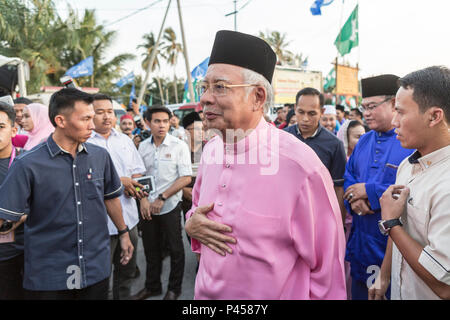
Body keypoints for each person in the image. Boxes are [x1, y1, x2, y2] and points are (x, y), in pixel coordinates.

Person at [184, 30, 346, 299]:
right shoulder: (211, 149)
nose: (205, 98)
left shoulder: (301, 167)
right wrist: (191, 225)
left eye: (220, 87)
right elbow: (197, 212)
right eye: (204, 87)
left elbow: (328, 271)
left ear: (258, 97)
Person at [0, 88, 133, 300]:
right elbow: (6, 216)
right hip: (49, 275)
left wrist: (123, 232)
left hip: (94, 268)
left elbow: (110, 197)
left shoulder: (100, 157)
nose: (93, 124)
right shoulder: (27, 165)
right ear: (61, 120)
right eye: (86, 118)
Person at [370, 66, 450, 300]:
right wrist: (384, 275)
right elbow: (399, 230)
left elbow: (444, 286)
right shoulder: (407, 164)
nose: (394, 121)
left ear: (434, 116)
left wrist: (391, 223)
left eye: (402, 113)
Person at [342, 74, 414, 300]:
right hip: (362, 240)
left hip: (392, 248)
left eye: (372, 106)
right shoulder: (363, 141)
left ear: (393, 104)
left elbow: (410, 187)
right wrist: (356, 198)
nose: (366, 113)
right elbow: (349, 177)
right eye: (363, 107)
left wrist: (370, 191)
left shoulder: (409, 141)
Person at [88, 93, 146, 300]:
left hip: (128, 219)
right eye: (99, 112)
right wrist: (121, 181)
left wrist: (135, 185)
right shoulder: (84, 143)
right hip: (98, 224)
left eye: (110, 112)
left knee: (126, 273)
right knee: (100, 278)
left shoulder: (124, 141)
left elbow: (138, 170)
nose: (106, 117)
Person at [132, 105, 192, 300]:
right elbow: (139, 175)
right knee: (151, 249)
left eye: (165, 121)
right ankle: (152, 286)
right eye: (157, 121)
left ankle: (174, 289)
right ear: (148, 123)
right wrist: (142, 200)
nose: (162, 125)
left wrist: (162, 197)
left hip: (170, 206)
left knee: (176, 249)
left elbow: (185, 178)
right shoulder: (143, 146)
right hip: (148, 207)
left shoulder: (179, 145)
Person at [285, 88, 347, 224]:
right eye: (301, 112)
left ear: (322, 112)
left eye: (312, 113)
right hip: (285, 213)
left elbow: (338, 188)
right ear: (295, 108)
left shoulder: (334, 144)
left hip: (317, 217)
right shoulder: (282, 137)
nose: (305, 119)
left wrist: (339, 224)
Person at [0, 101, 26, 300]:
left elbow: (45, 203)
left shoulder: (28, 163)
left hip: (22, 253)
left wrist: (15, 219)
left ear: (13, 130)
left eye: (1, 127)